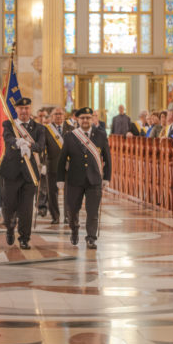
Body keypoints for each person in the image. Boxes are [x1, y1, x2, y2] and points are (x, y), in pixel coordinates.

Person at [57, 107, 111, 249]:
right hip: (75, 179)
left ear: (92, 118)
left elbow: (107, 157)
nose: (85, 120)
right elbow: (62, 159)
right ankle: (74, 230)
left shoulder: (100, 135)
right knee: (72, 209)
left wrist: (107, 177)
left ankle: (91, 238)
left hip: (94, 179)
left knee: (92, 211)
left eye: (88, 117)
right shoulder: (70, 136)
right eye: (82, 118)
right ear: (77, 119)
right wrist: (60, 179)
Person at [0, 97, 45, 249]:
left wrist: (30, 145)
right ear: (17, 110)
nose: (24, 111)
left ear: (30, 109)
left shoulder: (39, 128)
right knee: (9, 206)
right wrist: (17, 142)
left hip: (29, 173)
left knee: (26, 209)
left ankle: (24, 238)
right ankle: (10, 228)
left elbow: (40, 146)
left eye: (27, 108)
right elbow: (7, 138)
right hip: (11, 172)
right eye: (21, 108)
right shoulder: (9, 124)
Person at [43, 107, 73, 224]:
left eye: (60, 114)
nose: (58, 116)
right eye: (56, 114)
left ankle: (67, 216)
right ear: (51, 116)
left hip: (68, 165)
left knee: (69, 193)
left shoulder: (71, 128)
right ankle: (55, 216)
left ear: (64, 115)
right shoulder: (46, 130)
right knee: (52, 193)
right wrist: (43, 164)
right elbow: (42, 148)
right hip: (52, 165)